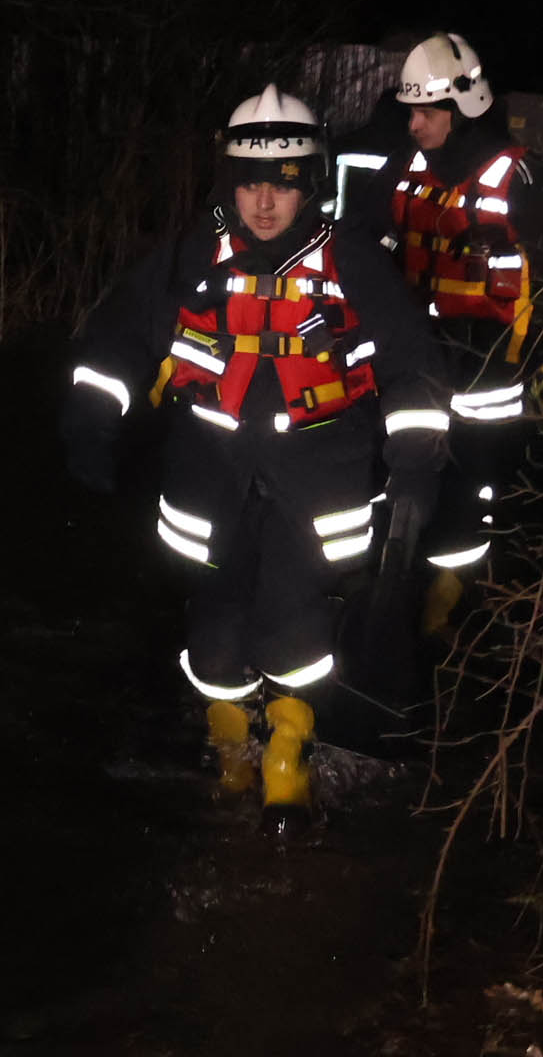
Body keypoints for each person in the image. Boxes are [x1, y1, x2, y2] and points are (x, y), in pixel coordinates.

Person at [60, 86, 449, 829]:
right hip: (209, 475)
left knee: (293, 629)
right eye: (249, 183)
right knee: (213, 635)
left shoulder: (352, 261)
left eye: (283, 183)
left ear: (311, 183)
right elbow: (118, 338)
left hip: (320, 476)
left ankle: (287, 763)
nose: (264, 202)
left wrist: (415, 465)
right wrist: (91, 416)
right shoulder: (190, 258)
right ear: (228, 182)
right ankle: (231, 755)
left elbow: (412, 366)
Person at [345, 31, 543, 636]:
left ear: (464, 105)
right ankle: (382, 584)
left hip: (490, 369)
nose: (414, 124)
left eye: (427, 111)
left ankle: (455, 600)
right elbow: (357, 250)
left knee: (471, 487)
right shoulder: (403, 171)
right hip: (411, 360)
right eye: (410, 111)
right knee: (393, 470)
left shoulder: (521, 177)